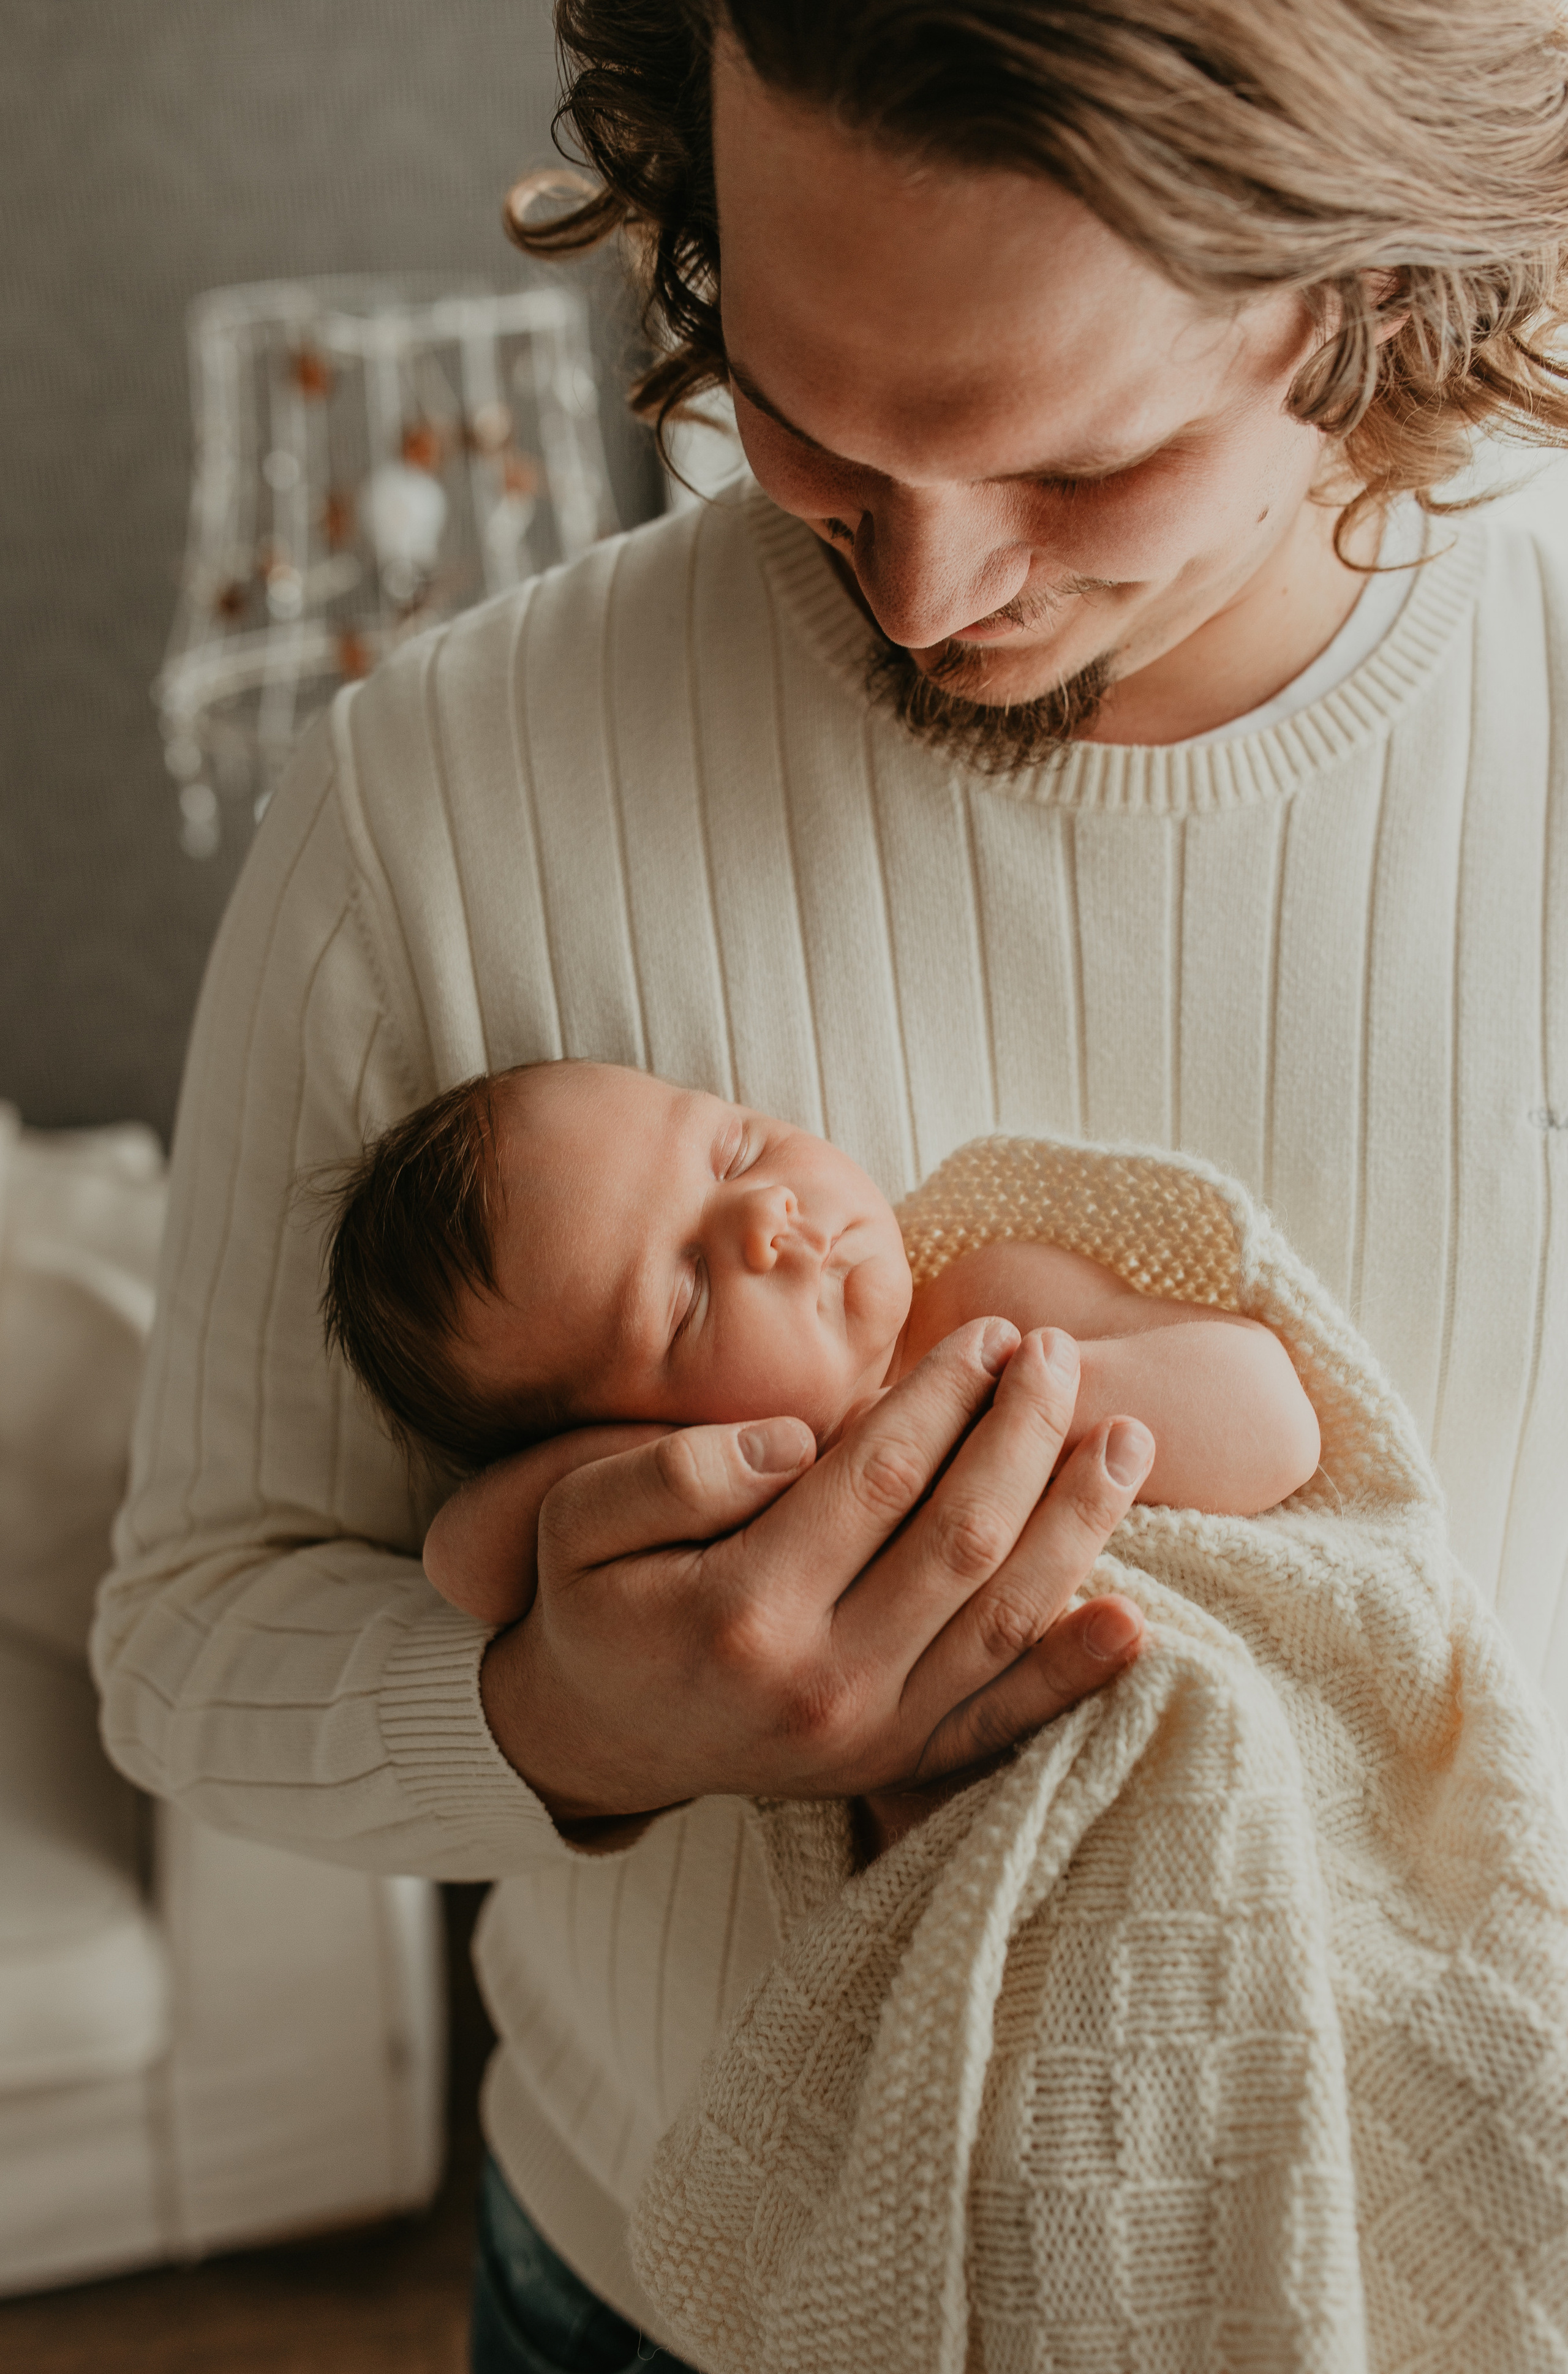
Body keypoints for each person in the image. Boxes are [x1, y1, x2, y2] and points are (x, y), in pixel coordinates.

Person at [93, 4, 1568, 2369]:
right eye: (810, 424)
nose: (922, 595)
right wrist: (573, 1715)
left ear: (1382, 300)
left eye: (1080, 468)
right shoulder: (435, 802)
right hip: (676, 2299)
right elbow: (184, 1652)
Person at [319, 1060, 1324, 1631]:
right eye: (686, 1294)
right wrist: (655, 1467)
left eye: (736, 1151)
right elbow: (465, 1561)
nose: (766, 1216)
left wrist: (1014, 1410)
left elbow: (1278, 1430)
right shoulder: (722, 1524)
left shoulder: (985, 1306)